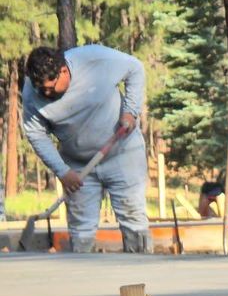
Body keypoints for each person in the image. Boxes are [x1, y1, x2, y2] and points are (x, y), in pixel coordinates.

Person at [22, 44, 150, 253]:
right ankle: (84, 279)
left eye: (50, 88)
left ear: (63, 70)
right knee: (81, 232)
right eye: (40, 89)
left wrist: (131, 111)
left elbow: (135, 68)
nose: (45, 94)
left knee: (133, 217)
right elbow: (36, 133)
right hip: (78, 165)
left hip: (122, 152)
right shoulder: (31, 91)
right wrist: (63, 171)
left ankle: (140, 274)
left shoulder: (94, 59)